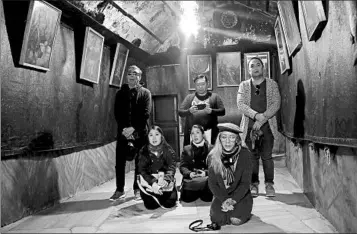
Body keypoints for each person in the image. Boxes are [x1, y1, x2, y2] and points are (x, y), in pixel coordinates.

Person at [237, 57, 281, 197]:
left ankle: (269, 185)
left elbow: (276, 103)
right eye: (252, 66)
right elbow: (241, 104)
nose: (255, 68)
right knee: (252, 158)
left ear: (263, 68)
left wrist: (262, 120)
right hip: (249, 128)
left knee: (267, 157)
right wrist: (256, 116)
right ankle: (254, 184)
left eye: (258, 65)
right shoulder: (243, 85)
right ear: (249, 70)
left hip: (268, 127)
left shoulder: (272, 84)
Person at [110, 65, 152, 201]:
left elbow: (146, 113)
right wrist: (125, 130)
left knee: (140, 162)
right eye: (129, 73)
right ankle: (119, 189)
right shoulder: (120, 93)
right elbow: (117, 113)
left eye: (135, 73)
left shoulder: (145, 93)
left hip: (140, 132)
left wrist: (133, 128)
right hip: (123, 132)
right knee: (119, 161)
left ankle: (138, 189)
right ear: (126, 76)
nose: (132, 75)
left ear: (139, 77)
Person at [207, 123, 253, 227]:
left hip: (240, 194)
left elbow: (245, 183)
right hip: (222, 194)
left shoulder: (245, 154)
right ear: (219, 139)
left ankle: (242, 209)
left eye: (232, 137)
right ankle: (226, 210)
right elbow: (212, 183)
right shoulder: (212, 156)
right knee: (218, 220)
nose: (227, 141)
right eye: (224, 137)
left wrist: (233, 200)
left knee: (235, 220)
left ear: (237, 140)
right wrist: (224, 200)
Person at [137, 126, 178, 210]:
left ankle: (164, 195)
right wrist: (153, 182)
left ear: (161, 136)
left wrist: (166, 179)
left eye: (157, 134)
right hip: (150, 183)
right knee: (150, 205)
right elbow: (142, 170)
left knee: (169, 203)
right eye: (151, 135)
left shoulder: (168, 150)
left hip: (165, 182)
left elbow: (172, 167)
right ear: (148, 137)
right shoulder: (143, 151)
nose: (154, 138)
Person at [178, 74, 226, 146]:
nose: (200, 87)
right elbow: (180, 112)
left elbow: (223, 111)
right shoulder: (189, 98)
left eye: (203, 84)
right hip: (193, 134)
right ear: (195, 86)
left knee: (210, 154)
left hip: (210, 133)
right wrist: (189, 111)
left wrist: (212, 111)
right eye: (198, 85)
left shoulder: (214, 96)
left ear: (207, 84)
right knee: (192, 155)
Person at [179, 124, 213, 203]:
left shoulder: (211, 148)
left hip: (206, 179)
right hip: (191, 180)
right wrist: (189, 173)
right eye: (192, 133)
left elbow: (214, 166)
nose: (195, 135)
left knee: (207, 198)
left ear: (203, 134)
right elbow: (183, 166)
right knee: (187, 199)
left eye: (197, 132)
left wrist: (205, 173)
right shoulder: (186, 149)